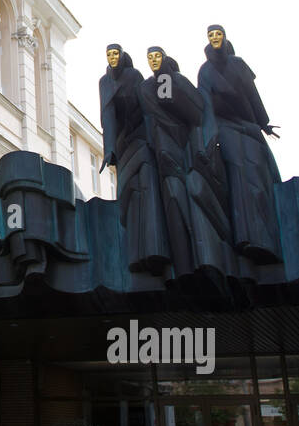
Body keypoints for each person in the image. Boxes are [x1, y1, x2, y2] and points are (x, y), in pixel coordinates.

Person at [138, 46, 233, 278]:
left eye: (157, 57)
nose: (153, 61)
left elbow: (195, 113)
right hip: (167, 153)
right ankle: (185, 268)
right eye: (149, 58)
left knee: (190, 201)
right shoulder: (148, 87)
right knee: (174, 200)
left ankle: (204, 263)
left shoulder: (171, 81)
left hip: (185, 153)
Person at [197, 26, 281, 263]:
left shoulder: (238, 64)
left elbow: (253, 95)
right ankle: (245, 238)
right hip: (225, 128)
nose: (215, 38)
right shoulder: (204, 72)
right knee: (237, 175)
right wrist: (210, 137)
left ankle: (267, 239)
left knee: (257, 175)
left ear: (224, 38)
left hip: (248, 126)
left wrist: (264, 123)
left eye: (218, 34)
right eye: (211, 35)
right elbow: (206, 107)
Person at [99, 43, 170, 273]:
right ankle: (136, 255)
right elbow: (107, 114)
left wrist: (156, 140)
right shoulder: (105, 82)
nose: (112, 58)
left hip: (142, 137)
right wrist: (109, 148)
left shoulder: (134, 75)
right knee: (127, 193)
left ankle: (156, 249)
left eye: (115, 54)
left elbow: (148, 107)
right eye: (108, 54)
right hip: (123, 144)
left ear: (122, 56)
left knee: (147, 189)